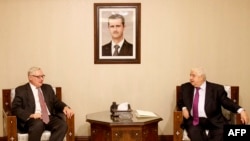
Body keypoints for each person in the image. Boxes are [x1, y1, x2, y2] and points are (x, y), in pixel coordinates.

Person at [177, 67, 249, 141]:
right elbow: (180, 101)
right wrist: (184, 108)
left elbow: (226, 102)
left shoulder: (216, 89)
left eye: (193, 76)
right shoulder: (185, 87)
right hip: (195, 121)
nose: (190, 78)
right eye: (190, 75)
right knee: (194, 133)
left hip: (214, 120)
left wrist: (240, 110)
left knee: (222, 133)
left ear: (201, 77)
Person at [11, 67, 74, 141]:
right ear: (30, 77)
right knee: (38, 124)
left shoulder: (48, 88)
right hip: (33, 119)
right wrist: (31, 115)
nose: (42, 79)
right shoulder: (21, 90)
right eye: (38, 77)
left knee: (62, 125)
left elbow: (56, 102)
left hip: (48, 117)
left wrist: (65, 107)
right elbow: (15, 108)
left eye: (42, 76)